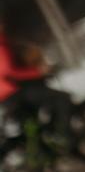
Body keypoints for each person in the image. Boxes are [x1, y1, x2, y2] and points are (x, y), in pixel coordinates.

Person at [0, 13, 73, 144]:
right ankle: (62, 134)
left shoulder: (5, 42)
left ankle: (45, 145)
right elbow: (10, 73)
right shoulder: (1, 46)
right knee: (62, 98)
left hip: (7, 97)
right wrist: (38, 72)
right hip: (14, 93)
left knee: (34, 124)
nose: (3, 25)